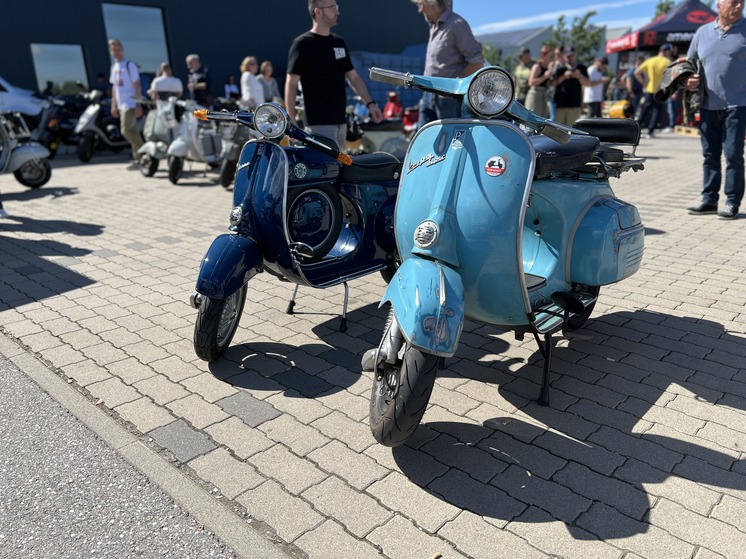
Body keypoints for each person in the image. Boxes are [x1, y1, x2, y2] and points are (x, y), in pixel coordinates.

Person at [285, 1, 383, 149]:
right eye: (332, 7)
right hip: (318, 125)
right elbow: (291, 84)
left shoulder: (339, 42)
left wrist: (371, 103)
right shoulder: (303, 44)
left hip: (341, 123)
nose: (337, 12)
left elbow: (354, 78)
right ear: (318, 12)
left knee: (339, 170)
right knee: (321, 170)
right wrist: (291, 121)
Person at [686, 0, 746, 219]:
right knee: (710, 154)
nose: (740, 6)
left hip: (738, 104)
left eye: (742, 2)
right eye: (735, 2)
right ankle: (709, 199)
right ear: (719, 5)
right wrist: (689, 80)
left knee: (733, 154)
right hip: (708, 104)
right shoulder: (702, 33)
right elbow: (688, 65)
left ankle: (731, 201)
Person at [413, 0, 485, 127]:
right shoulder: (434, 26)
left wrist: (453, 88)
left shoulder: (457, 25)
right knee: (423, 141)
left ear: (431, 3)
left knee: (451, 143)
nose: (419, 10)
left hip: (449, 100)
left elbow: (477, 62)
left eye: (420, 4)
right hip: (428, 96)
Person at [107, 39, 143, 161]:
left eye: (119, 49)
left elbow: (137, 84)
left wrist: (138, 104)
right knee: (132, 131)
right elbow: (114, 87)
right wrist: (114, 105)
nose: (117, 52)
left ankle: (144, 151)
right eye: (114, 50)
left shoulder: (129, 65)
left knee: (126, 130)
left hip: (130, 103)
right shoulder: (114, 66)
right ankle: (139, 158)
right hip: (121, 105)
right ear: (110, 51)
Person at [634, 43, 674, 138]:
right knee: (657, 111)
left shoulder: (650, 60)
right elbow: (671, 77)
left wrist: (643, 82)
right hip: (660, 90)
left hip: (649, 89)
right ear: (666, 51)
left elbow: (636, 72)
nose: (670, 54)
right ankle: (650, 131)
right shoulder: (667, 62)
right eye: (669, 52)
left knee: (645, 109)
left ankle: (637, 130)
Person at [551, 46, 591, 126]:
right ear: (564, 56)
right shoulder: (559, 68)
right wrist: (564, 77)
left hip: (574, 104)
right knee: (559, 129)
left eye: (572, 55)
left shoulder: (581, 68)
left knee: (572, 129)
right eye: (568, 56)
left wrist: (579, 76)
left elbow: (588, 84)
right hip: (560, 104)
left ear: (575, 55)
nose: (570, 58)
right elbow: (552, 84)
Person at [525, 45, 554, 118]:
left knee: (541, 120)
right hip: (535, 95)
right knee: (532, 119)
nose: (552, 58)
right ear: (544, 56)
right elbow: (531, 82)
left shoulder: (548, 67)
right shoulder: (537, 66)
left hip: (543, 95)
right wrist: (545, 76)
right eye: (550, 56)